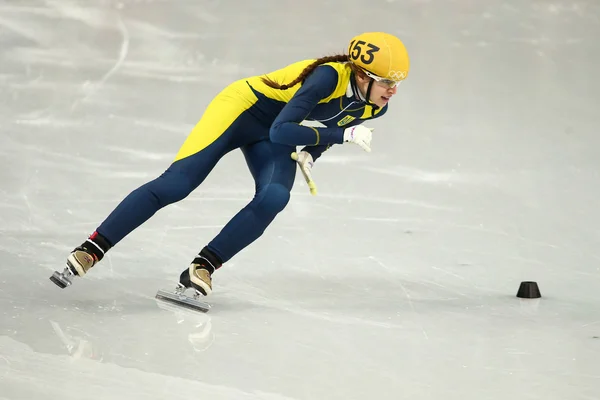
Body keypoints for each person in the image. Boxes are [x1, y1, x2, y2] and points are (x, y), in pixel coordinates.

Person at [51, 31, 410, 297]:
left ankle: (202, 267)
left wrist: (311, 154)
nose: (392, 90)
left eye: (396, 84)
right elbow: (285, 129)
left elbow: (327, 130)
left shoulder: (375, 103)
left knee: (274, 198)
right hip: (241, 109)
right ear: (361, 75)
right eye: (387, 82)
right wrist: (340, 138)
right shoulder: (329, 76)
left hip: (273, 132)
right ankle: (92, 247)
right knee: (178, 184)